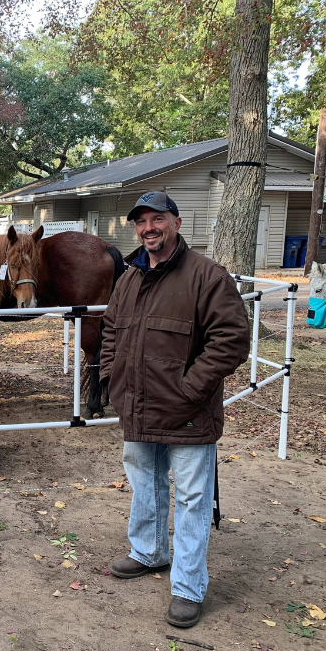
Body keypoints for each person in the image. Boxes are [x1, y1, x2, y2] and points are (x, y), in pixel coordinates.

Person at [99, 191, 250, 628]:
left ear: (177, 222)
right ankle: (148, 552)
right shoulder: (128, 279)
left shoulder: (208, 276)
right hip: (138, 407)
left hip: (187, 411)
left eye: (157, 219)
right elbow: (111, 330)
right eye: (142, 221)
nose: (149, 227)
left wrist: (190, 389)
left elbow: (231, 340)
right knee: (144, 483)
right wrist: (112, 378)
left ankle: (187, 586)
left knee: (192, 497)